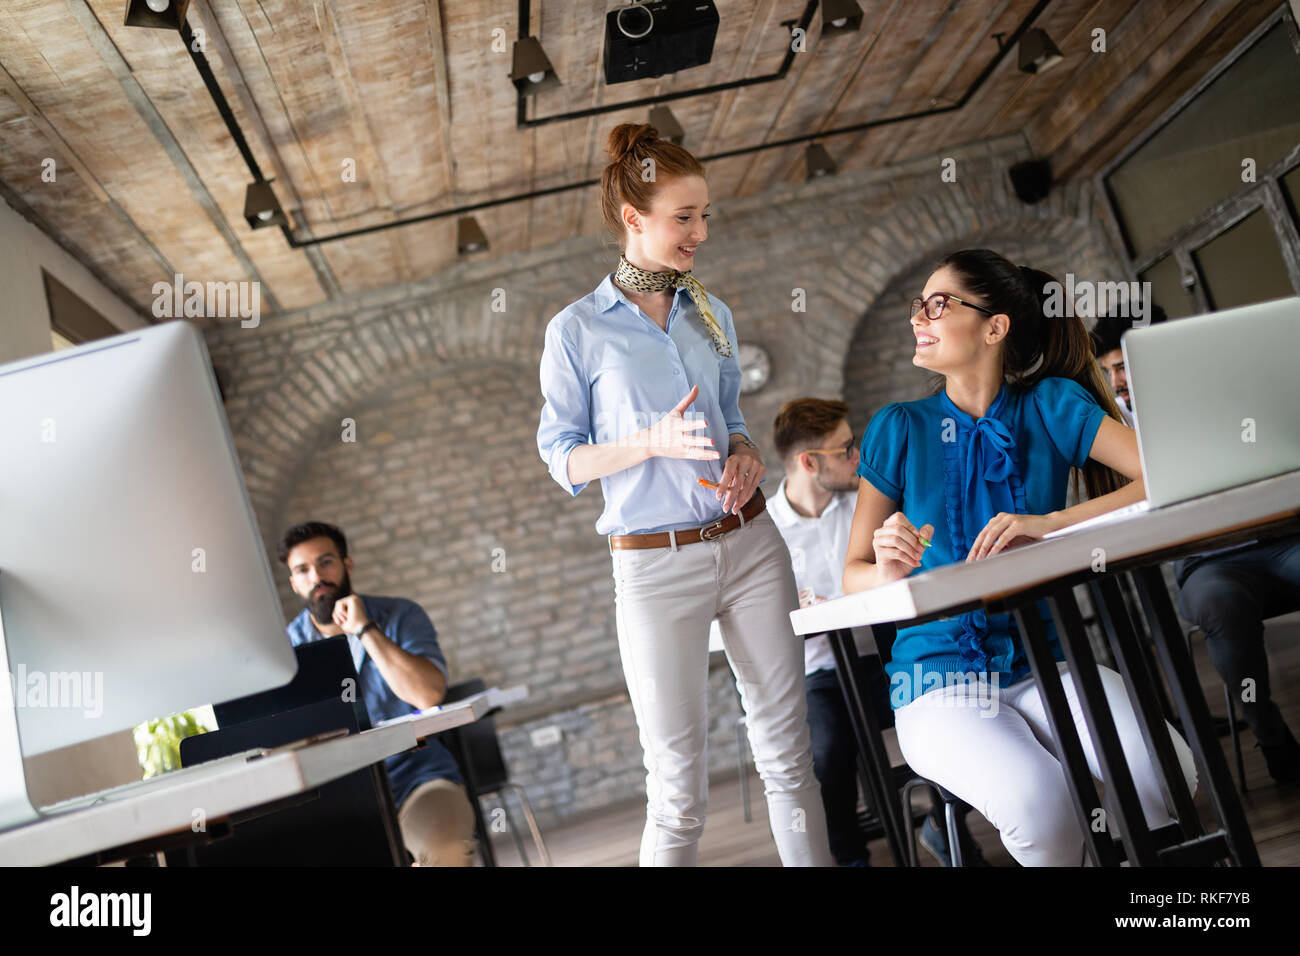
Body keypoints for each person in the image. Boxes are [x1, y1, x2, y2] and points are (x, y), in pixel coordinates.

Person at [536, 122, 833, 866]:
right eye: (684, 218)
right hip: (654, 567)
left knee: (790, 757)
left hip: (753, 547)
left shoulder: (712, 312)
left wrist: (746, 457)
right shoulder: (576, 332)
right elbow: (561, 458)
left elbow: (734, 422)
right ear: (634, 220)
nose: (700, 232)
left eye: (704, 216)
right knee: (676, 789)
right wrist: (648, 442)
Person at [843, 249, 1198, 866]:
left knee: (1164, 775)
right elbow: (852, 575)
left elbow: (1163, 473)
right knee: (1043, 807)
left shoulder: (1052, 404)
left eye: (937, 304)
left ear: (994, 326)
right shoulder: (898, 427)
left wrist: (1051, 524)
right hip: (936, 681)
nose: (917, 319)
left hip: (1050, 661)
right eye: (917, 306)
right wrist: (888, 570)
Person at [770, 397, 986, 866]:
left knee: (966, 702)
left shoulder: (867, 508)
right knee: (827, 751)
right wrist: (785, 611)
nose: (859, 458)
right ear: (809, 462)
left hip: (888, 657)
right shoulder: (769, 534)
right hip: (821, 671)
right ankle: (850, 858)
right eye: (846, 450)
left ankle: (943, 825)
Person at [1091, 313, 1300, 783]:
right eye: (1109, 372)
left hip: (1280, 538)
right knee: (1217, 605)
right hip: (1210, 564)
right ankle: (1272, 738)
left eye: (1123, 367)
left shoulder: (1228, 391)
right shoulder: (1115, 431)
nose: (1117, 382)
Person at [276, 521, 478, 866]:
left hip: (419, 780)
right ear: (294, 582)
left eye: (326, 562)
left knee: (446, 851)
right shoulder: (284, 649)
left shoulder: (400, 616)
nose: (317, 577)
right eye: (303, 570)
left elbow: (428, 696)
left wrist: (365, 629)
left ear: (346, 565)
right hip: (339, 800)